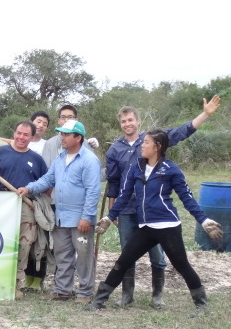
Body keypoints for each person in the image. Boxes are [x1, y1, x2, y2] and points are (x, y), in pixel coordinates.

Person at [90, 129, 223, 316]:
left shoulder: (171, 169)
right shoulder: (136, 168)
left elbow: (187, 198)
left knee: (182, 265)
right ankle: (99, 301)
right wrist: (109, 217)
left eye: (146, 142)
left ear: (157, 147)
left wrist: (204, 220)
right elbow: (124, 196)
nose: (142, 145)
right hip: (146, 228)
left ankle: (202, 305)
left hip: (167, 226)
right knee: (123, 262)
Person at [18, 120, 101, 303]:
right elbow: (48, 180)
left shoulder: (89, 160)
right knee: (62, 255)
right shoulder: (60, 158)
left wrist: (87, 217)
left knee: (84, 257)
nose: (62, 137)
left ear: (78, 138)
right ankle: (63, 290)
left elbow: (93, 191)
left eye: (66, 134)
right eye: (61, 134)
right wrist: (29, 188)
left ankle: (85, 292)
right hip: (61, 216)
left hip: (80, 218)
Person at [0, 121, 47, 299]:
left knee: (24, 243)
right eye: (19, 133)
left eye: (26, 135)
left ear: (32, 137)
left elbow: (45, 183)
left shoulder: (36, 159)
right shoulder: (0, 152)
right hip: (2, 202)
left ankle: (15, 284)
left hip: (26, 203)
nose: (21, 137)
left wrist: (35, 198)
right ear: (14, 132)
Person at [24, 110, 52, 291]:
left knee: (41, 240)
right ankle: (26, 277)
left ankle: (38, 280)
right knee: (27, 239)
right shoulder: (19, 142)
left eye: (45, 124)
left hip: (41, 198)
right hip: (22, 196)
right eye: (38, 121)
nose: (40, 125)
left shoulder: (47, 146)